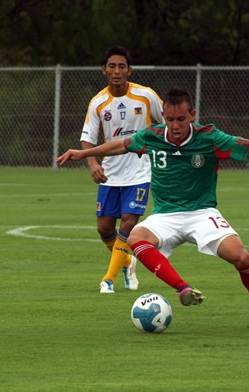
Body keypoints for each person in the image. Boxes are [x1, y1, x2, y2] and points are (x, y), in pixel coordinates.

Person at [58, 87, 249, 330]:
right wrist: (84, 154)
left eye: (181, 119)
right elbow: (122, 145)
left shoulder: (209, 137)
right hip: (165, 215)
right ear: (164, 117)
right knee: (135, 237)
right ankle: (183, 288)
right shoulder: (152, 135)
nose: (175, 125)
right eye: (170, 119)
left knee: (241, 257)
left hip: (202, 213)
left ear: (192, 115)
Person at [81, 45, 164, 294]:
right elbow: (87, 138)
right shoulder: (98, 102)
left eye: (121, 66)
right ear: (103, 70)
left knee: (128, 222)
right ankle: (127, 262)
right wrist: (93, 164)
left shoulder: (146, 96)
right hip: (111, 173)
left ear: (129, 70)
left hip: (141, 171)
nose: (116, 71)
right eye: (112, 66)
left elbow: (168, 122)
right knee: (104, 228)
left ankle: (108, 279)